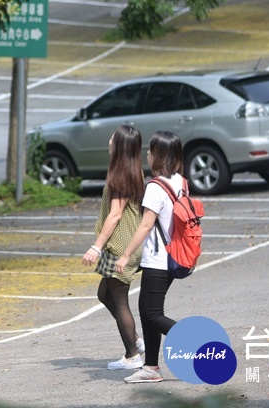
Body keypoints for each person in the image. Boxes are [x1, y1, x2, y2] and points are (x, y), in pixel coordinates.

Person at [114, 130, 185, 383]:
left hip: (158, 260)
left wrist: (125, 255)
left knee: (152, 314)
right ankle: (151, 368)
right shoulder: (180, 181)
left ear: (159, 155)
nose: (147, 153)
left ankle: (191, 340)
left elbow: (145, 226)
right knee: (149, 313)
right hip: (174, 256)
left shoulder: (155, 187)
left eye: (151, 150)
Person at [80, 124, 145, 371]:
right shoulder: (131, 171)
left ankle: (132, 355)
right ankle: (136, 342)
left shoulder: (121, 176)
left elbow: (115, 214)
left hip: (119, 246)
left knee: (119, 301)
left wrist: (96, 247)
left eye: (112, 138)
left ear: (119, 146)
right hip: (120, 244)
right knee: (104, 295)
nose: (108, 141)